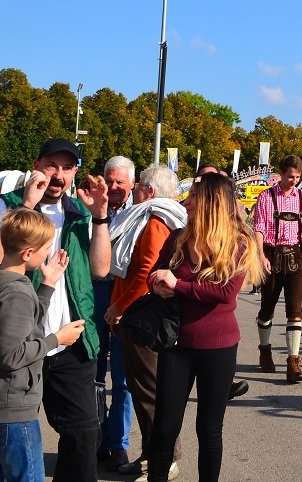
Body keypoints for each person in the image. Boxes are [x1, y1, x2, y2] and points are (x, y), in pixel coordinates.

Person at [0, 138, 111, 482]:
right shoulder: (6, 205)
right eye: (52, 165)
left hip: (71, 340)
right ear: (36, 165)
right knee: (14, 440)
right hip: (21, 343)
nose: (59, 175)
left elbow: (100, 270)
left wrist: (99, 217)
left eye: (67, 168)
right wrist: (25, 206)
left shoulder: (79, 212)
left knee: (83, 434)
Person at [144, 175, 264, 482]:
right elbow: (155, 274)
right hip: (176, 344)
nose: (187, 200)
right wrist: (158, 286)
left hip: (219, 346)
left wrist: (178, 285)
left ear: (211, 202)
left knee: (209, 428)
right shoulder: (179, 238)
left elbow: (223, 292)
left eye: (194, 195)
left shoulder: (239, 242)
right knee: (165, 427)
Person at [0, 208, 86, 482]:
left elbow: (23, 324)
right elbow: (11, 355)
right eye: (45, 248)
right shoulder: (17, 292)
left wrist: (47, 285)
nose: (48, 253)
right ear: (27, 253)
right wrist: (58, 338)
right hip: (10, 407)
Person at [104, 164, 187, 480]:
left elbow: (146, 274)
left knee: (150, 392)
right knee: (147, 392)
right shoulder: (161, 218)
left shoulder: (154, 222)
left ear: (149, 192)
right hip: (142, 316)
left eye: (138, 186)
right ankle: (153, 454)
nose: (134, 190)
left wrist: (118, 307)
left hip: (143, 319)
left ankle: (163, 458)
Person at [252, 154, 302, 384]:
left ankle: (293, 362)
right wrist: (260, 256)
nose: (294, 181)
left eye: (297, 177)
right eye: (290, 176)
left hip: (295, 256)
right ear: (281, 173)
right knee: (267, 309)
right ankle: (265, 349)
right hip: (272, 254)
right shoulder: (266, 197)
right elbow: (258, 228)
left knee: (295, 311)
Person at [96, 155, 136, 471]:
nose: (113, 187)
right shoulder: (90, 209)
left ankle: (118, 444)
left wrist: (124, 303)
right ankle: (95, 438)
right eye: (109, 181)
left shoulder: (141, 214)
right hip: (95, 297)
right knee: (92, 374)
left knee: (122, 380)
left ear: (132, 184)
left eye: (119, 182)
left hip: (124, 301)